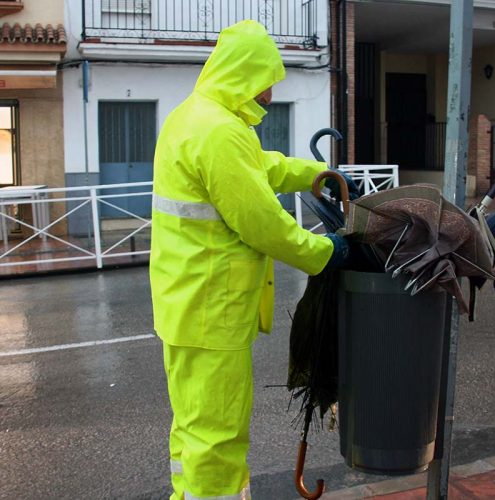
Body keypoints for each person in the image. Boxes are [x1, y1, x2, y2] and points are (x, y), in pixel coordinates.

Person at [149, 20, 358, 500]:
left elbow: (261, 167)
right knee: (218, 436)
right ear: (243, 73)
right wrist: (326, 253)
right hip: (211, 311)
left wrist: (316, 174)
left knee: (191, 428)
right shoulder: (219, 132)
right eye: (265, 82)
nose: (267, 95)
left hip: (185, 304)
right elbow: (263, 223)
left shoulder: (196, 117)